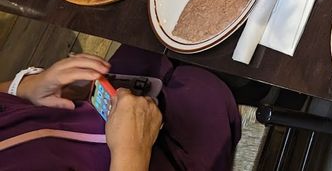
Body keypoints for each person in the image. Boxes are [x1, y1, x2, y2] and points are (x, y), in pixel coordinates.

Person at [0, 48, 240, 170]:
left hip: (103, 108)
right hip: (156, 159)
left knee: (152, 38)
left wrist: (25, 87)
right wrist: (131, 152)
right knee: (208, 91)